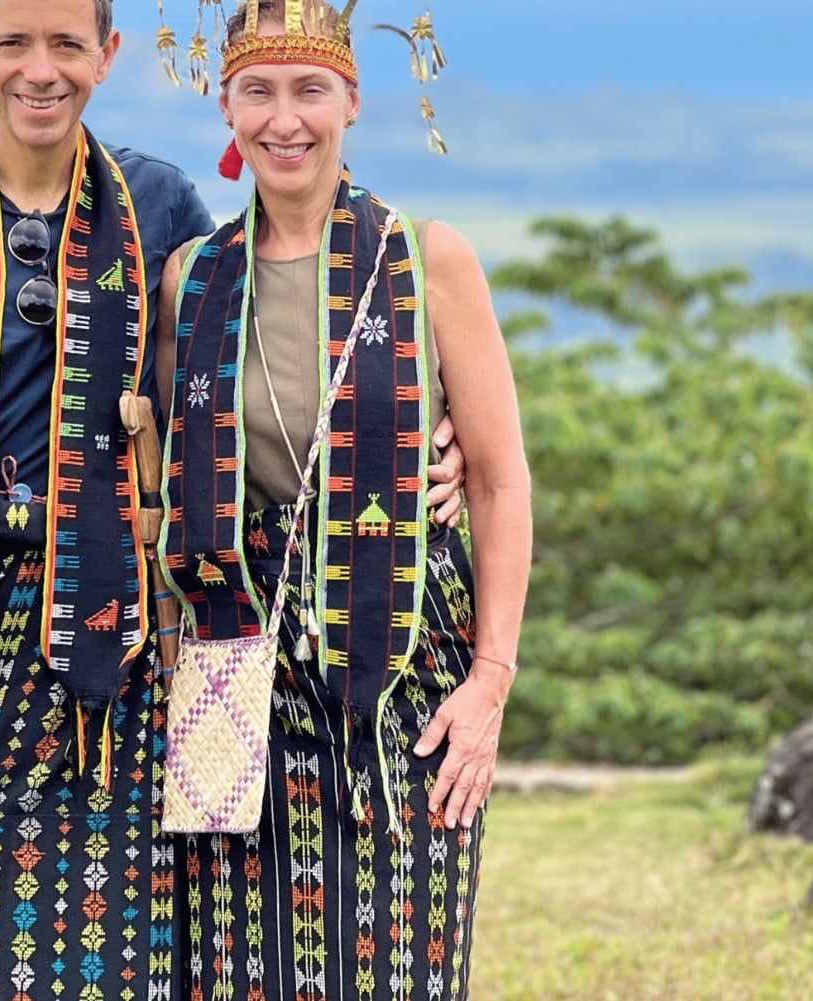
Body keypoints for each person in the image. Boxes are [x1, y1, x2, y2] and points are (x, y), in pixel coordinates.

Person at [0, 1, 467, 997]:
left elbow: (238, 379)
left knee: (129, 958)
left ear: (109, 54)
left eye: (67, 43)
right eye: (15, 44)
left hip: (120, 640)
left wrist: (431, 441)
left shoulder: (157, 211)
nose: (42, 70)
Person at [153, 3, 532, 1000]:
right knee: (236, 969)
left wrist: (490, 682)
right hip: (238, 674)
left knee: (401, 964)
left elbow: (495, 477)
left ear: (352, 102)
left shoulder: (426, 259)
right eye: (259, 91)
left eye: (309, 90)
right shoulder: (192, 280)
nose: (286, 120)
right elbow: (137, 460)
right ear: (226, 105)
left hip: (404, 664)